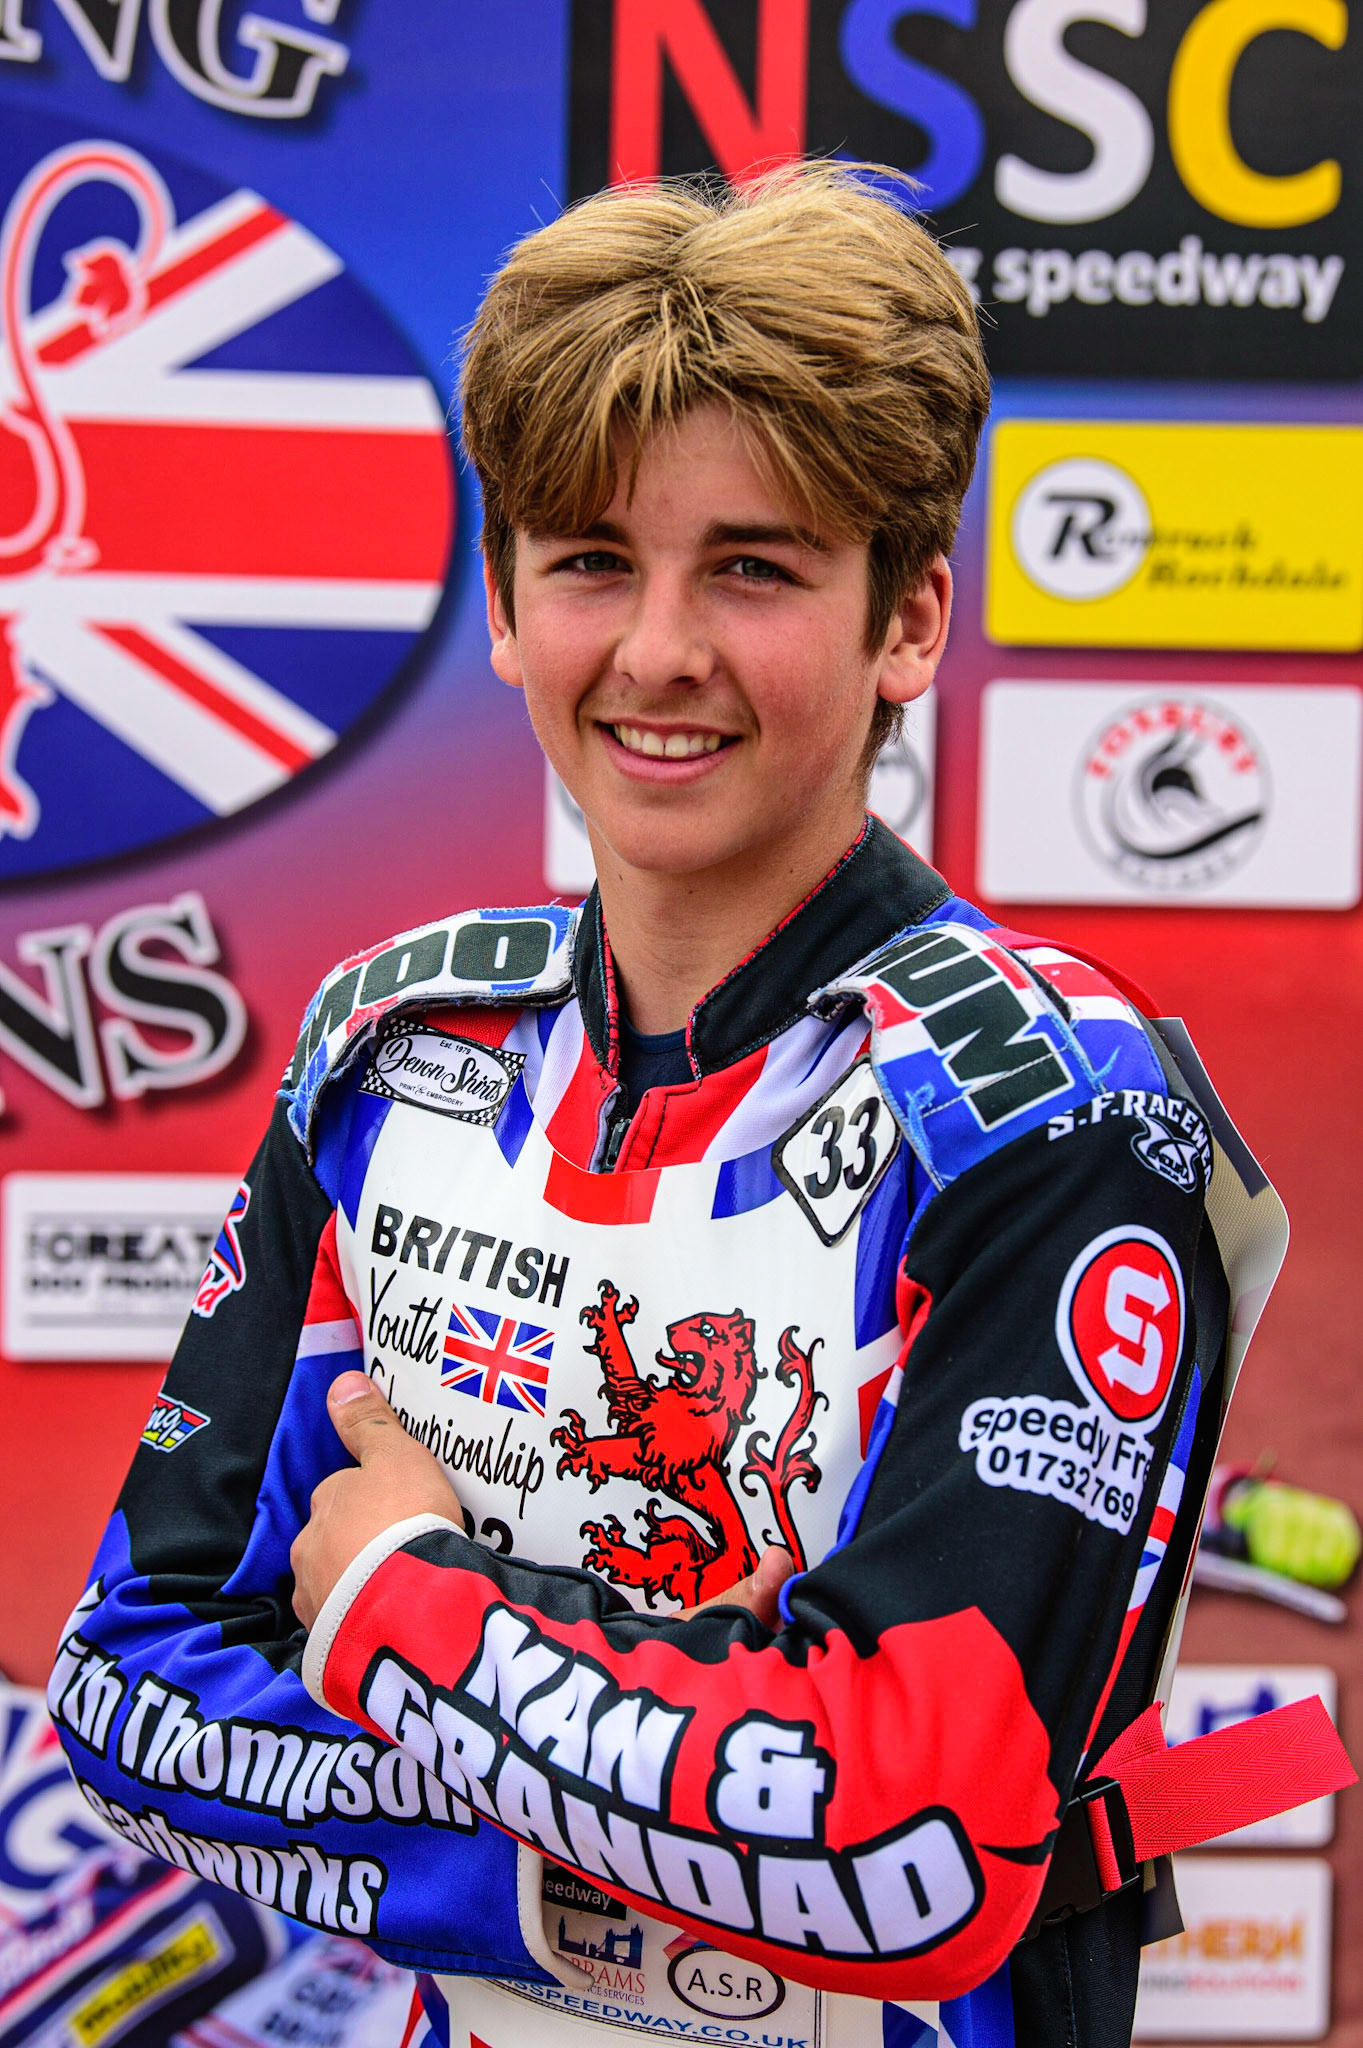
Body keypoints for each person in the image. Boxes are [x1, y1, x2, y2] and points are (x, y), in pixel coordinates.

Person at [49, 163, 1346, 2048]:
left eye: (754, 566)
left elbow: (902, 1839)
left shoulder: (1055, 1116)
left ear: (908, 622)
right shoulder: (386, 1047)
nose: (659, 651)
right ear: (503, 605)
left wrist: (403, 1605)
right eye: (591, 559)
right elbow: (132, 1678)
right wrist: (601, 1842)